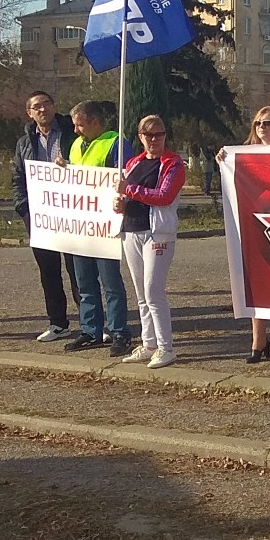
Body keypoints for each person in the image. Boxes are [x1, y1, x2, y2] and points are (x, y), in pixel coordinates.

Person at [218, 105, 270, 365]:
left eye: (268, 123)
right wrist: (223, 159)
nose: (262, 127)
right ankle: (258, 340)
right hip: (254, 226)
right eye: (259, 123)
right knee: (255, 283)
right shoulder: (243, 154)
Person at [61, 100, 136, 357]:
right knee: (84, 281)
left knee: (110, 281)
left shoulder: (116, 143)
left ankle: (119, 331)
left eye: (80, 125)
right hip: (81, 224)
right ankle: (90, 330)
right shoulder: (75, 146)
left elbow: (127, 177)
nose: (76, 130)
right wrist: (63, 171)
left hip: (104, 224)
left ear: (95, 122)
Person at [114, 114, 186, 369]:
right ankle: (149, 343)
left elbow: (164, 195)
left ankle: (166, 347)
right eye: (149, 134)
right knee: (141, 295)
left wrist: (129, 191)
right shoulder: (133, 163)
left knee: (153, 291)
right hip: (132, 230)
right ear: (140, 137)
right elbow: (123, 194)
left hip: (158, 233)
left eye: (159, 134)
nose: (154, 139)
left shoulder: (174, 164)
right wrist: (120, 202)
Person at [11, 89, 81, 342]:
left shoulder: (72, 135)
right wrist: (24, 208)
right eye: (36, 107)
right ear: (29, 113)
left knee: (78, 269)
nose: (42, 110)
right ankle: (58, 323)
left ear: (54, 106)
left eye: (46, 104)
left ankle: (89, 321)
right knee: (49, 272)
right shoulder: (24, 142)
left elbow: (86, 167)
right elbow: (18, 177)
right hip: (40, 215)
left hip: (71, 211)